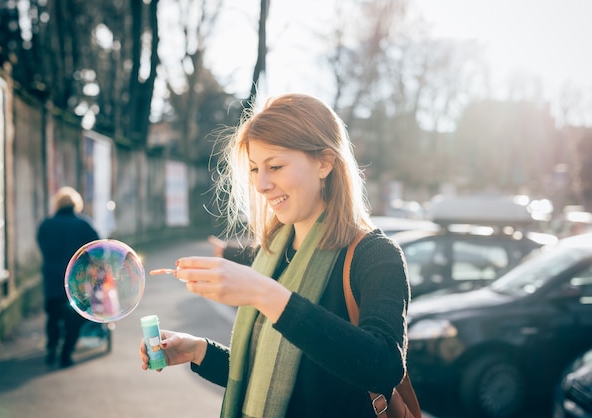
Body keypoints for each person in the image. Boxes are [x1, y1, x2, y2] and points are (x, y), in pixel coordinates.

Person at [139, 94, 411, 417]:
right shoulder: (271, 254)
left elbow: (384, 368)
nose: (262, 184)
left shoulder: (376, 256)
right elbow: (269, 379)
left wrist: (265, 294)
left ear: (324, 163)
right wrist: (198, 351)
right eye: (255, 169)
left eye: (276, 166)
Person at [37, 186, 100, 367]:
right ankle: (66, 354)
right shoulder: (84, 225)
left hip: (52, 281)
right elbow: (97, 249)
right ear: (76, 204)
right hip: (77, 283)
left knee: (53, 317)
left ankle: (51, 349)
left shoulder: (46, 224)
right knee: (75, 318)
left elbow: (43, 247)